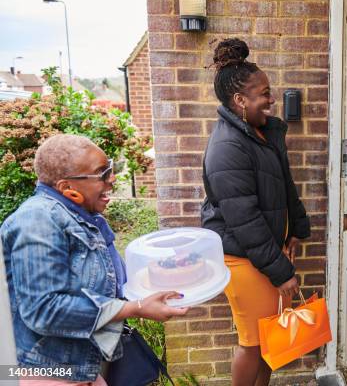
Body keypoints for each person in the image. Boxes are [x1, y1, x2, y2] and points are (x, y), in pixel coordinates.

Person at [0, 134, 189, 386]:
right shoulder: (38, 220)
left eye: (110, 167)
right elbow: (43, 309)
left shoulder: (83, 218)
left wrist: (164, 268)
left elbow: (109, 285)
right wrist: (136, 308)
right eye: (102, 172)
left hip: (77, 369)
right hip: (42, 372)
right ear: (67, 188)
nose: (112, 178)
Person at [201, 38, 311, 386]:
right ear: (240, 100)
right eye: (264, 93)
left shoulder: (261, 134)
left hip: (261, 254)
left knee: (266, 341)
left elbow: (284, 185)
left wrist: (296, 228)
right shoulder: (228, 148)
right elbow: (244, 221)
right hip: (244, 258)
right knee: (252, 343)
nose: (272, 98)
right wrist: (281, 272)